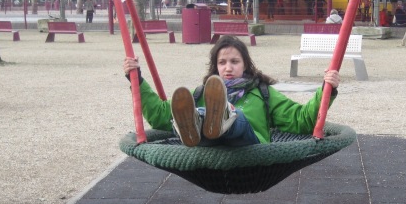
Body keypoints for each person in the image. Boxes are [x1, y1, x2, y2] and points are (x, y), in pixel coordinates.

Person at [122, 35, 340, 148]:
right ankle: (196, 122)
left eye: (234, 62)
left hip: (250, 150)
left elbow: (301, 120)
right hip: (211, 150)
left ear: (245, 65)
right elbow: (160, 115)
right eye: (222, 62)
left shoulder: (262, 93)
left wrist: (325, 90)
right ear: (216, 67)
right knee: (193, 110)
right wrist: (137, 80)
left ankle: (220, 116)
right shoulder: (202, 93)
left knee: (237, 116)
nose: (228, 68)